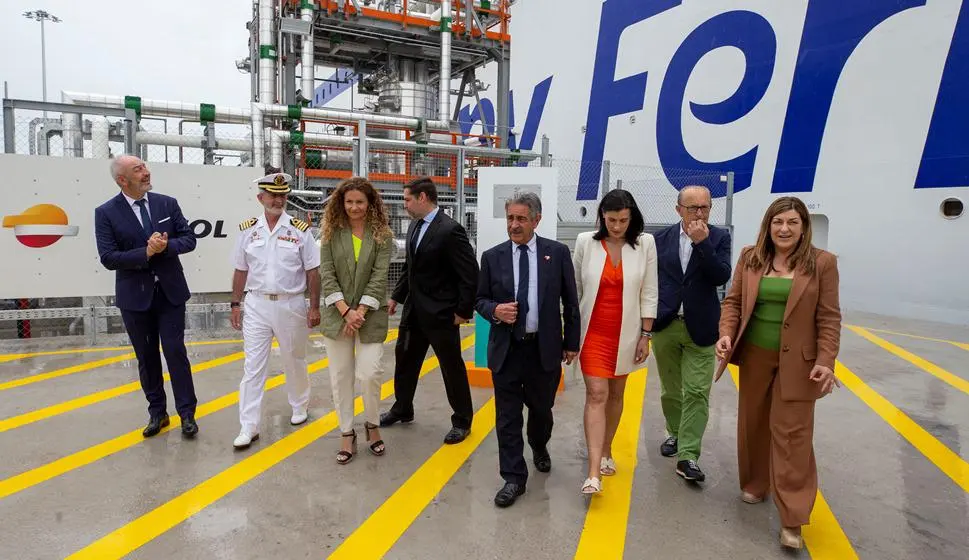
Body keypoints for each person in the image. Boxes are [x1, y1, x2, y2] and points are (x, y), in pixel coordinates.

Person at [715, 196, 841, 550]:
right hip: (755, 355)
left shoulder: (822, 264)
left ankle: (793, 518)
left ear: (804, 227)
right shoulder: (750, 257)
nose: (784, 229)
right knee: (752, 424)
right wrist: (726, 333)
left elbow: (829, 317)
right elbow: (734, 302)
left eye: (792, 223)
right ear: (768, 226)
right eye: (778, 222)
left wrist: (826, 360)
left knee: (792, 436)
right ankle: (756, 483)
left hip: (800, 364)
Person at [475, 192, 580, 507]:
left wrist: (571, 342)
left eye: (521, 218)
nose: (514, 225)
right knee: (507, 417)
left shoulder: (557, 253)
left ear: (536, 219)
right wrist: (495, 310)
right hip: (507, 350)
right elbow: (479, 300)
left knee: (541, 412)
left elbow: (570, 302)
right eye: (510, 218)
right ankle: (513, 477)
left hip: (543, 349)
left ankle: (539, 444)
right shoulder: (492, 257)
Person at [94, 155, 199, 438]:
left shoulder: (167, 203)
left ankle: (187, 413)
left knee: (176, 351)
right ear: (122, 180)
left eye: (145, 167)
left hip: (170, 293)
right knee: (146, 356)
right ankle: (158, 413)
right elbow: (108, 257)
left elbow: (189, 238)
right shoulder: (105, 212)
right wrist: (146, 253)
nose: (146, 172)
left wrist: (164, 247)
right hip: (134, 298)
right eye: (138, 169)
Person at [380, 177, 479, 445]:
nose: (405, 204)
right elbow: (411, 268)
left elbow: (470, 274)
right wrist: (397, 297)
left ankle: (462, 420)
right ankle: (403, 408)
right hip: (414, 312)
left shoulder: (450, 230)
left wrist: (463, 311)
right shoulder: (415, 226)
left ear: (423, 198)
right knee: (405, 361)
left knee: (451, 367)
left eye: (407, 199)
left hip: (442, 314)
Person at [572, 189, 658, 495]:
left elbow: (649, 291)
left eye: (623, 220)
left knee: (616, 395)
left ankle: (607, 449)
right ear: (602, 218)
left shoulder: (645, 243)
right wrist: (569, 333)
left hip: (627, 333)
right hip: (593, 331)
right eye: (611, 220)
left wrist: (645, 336)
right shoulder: (586, 243)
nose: (617, 226)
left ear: (631, 218)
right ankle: (593, 472)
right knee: (597, 394)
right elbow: (576, 290)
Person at [229, 172, 321, 450]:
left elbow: (313, 272)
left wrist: (314, 307)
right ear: (261, 198)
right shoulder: (247, 230)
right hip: (256, 303)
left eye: (283, 195)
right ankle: (249, 425)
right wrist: (235, 304)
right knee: (253, 366)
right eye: (273, 195)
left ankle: (299, 405)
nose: (279, 200)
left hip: (290, 303)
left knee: (295, 359)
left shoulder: (299, 230)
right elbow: (240, 269)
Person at [651, 185, 732, 482]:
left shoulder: (719, 237)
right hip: (666, 325)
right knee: (672, 390)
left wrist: (703, 244)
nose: (699, 213)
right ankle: (675, 432)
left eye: (705, 208)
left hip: (702, 326)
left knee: (697, 392)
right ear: (678, 210)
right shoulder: (659, 239)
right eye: (692, 208)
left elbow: (721, 275)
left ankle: (688, 455)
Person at [318, 177, 394, 464]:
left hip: (369, 316)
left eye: (359, 202)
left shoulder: (382, 235)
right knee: (341, 377)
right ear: (341, 202)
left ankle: (372, 424)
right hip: (337, 316)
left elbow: (379, 275)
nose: (354, 207)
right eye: (349, 201)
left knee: (370, 373)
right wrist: (344, 310)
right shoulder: (330, 233)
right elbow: (326, 273)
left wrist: (359, 311)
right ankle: (346, 432)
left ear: (370, 203)